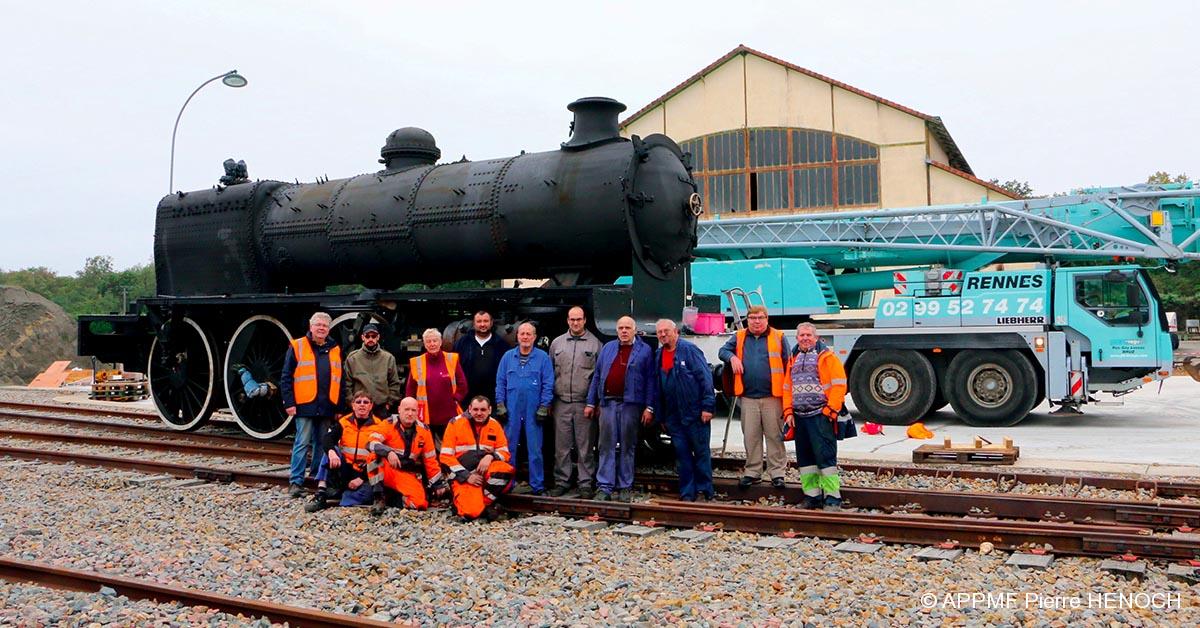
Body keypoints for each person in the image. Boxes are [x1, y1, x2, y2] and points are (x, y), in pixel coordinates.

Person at [718, 305, 791, 489]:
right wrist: (732, 358)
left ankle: (777, 473)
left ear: (767, 319)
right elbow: (722, 352)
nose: (756, 321)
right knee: (751, 436)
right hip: (748, 397)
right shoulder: (739, 336)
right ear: (747, 320)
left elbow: (788, 364)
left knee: (775, 436)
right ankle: (753, 471)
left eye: (760, 318)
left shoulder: (779, 337)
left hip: (772, 397)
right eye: (752, 318)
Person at [586, 316, 656, 502]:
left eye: (627, 328)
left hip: (630, 405)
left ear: (635, 330)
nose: (624, 331)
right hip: (608, 404)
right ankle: (604, 487)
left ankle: (625, 486)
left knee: (627, 445)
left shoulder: (645, 351)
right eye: (620, 328)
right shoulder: (608, 348)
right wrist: (591, 403)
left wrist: (649, 407)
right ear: (616, 330)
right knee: (605, 446)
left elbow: (651, 380)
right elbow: (597, 375)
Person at [781, 322, 848, 509]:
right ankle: (812, 497)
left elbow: (839, 384)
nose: (805, 338)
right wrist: (788, 412)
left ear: (816, 338)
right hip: (799, 417)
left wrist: (830, 410)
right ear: (797, 338)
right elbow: (787, 388)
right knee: (805, 460)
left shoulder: (827, 357)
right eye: (802, 335)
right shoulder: (793, 359)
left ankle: (833, 498)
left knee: (826, 458)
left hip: (821, 415)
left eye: (809, 335)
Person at [281, 312, 342, 498]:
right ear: (311, 326)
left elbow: (340, 379)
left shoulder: (335, 349)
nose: (321, 328)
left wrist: (338, 407)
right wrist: (289, 402)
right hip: (304, 404)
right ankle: (296, 481)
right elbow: (286, 376)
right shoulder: (298, 346)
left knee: (322, 443)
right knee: (302, 441)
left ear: (329, 329)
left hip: (326, 404)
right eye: (318, 325)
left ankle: (317, 476)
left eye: (324, 325)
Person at [654, 319, 716, 501]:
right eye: (659, 332)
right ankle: (687, 493)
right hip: (673, 416)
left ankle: (705, 490)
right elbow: (658, 388)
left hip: (695, 413)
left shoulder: (689, 350)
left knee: (701, 452)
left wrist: (707, 406)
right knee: (682, 455)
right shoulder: (658, 355)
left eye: (666, 331)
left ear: (676, 332)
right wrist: (662, 416)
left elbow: (705, 379)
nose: (663, 335)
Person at [304, 391, 393, 514]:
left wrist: (361, 479)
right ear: (353, 405)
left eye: (366, 402)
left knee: (359, 497)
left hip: (365, 473)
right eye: (358, 402)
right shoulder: (344, 422)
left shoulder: (379, 425)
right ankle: (321, 494)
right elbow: (327, 438)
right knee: (330, 451)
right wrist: (331, 452)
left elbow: (381, 456)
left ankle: (342, 495)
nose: (362, 405)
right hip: (346, 469)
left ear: (371, 406)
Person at [495, 322, 554, 495]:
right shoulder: (507, 357)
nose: (525, 337)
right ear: (518, 336)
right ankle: (507, 484)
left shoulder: (543, 358)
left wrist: (544, 405)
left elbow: (548, 383)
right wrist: (500, 404)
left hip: (533, 409)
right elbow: (500, 382)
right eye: (522, 334)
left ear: (534, 337)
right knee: (509, 448)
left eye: (529, 334)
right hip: (511, 408)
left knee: (535, 449)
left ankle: (537, 485)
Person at [548, 306, 601, 498]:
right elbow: (550, 373)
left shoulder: (595, 344)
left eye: (579, 319)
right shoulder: (557, 344)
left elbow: (598, 377)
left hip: (583, 404)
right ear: (567, 321)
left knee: (585, 447)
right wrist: (550, 402)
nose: (575, 323)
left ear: (585, 320)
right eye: (572, 319)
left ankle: (585, 483)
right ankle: (562, 482)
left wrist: (593, 403)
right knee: (561, 447)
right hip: (561, 402)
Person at [440, 396, 515, 521]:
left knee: (505, 469)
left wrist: (491, 456)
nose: (479, 413)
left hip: (483, 474)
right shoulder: (455, 423)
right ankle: (477, 507)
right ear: (469, 409)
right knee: (471, 512)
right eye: (475, 409)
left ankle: (484, 503)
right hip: (463, 476)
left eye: (483, 410)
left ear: (490, 410)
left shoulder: (494, 425)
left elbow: (505, 452)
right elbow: (445, 457)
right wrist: (467, 476)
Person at [375, 397, 448, 512]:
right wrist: (388, 452)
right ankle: (378, 496)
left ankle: (392, 498)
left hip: (406, 472)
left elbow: (430, 460)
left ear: (418, 412)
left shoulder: (424, 430)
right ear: (399, 410)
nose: (410, 413)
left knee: (420, 504)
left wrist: (438, 485)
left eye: (413, 410)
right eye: (406, 409)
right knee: (373, 455)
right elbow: (370, 442)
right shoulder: (388, 424)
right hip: (387, 469)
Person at [406, 328, 468, 439]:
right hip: (425, 415)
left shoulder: (452, 359)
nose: (432, 344)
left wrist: (455, 399)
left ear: (440, 342)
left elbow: (462, 384)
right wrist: (410, 408)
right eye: (428, 341)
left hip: (449, 414)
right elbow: (410, 390)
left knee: (449, 446)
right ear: (424, 344)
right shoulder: (417, 362)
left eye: (435, 341)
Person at [341, 323, 402, 419]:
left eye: (373, 336)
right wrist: (352, 404)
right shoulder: (353, 358)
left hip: (381, 409)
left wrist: (389, 404)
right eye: (367, 336)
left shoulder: (388, 358)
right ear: (362, 337)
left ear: (378, 337)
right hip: (360, 408)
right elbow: (346, 384)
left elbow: (394, 383)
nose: (370, 339)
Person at [453, 310, 511, 403]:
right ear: (474, 323)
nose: (482, 324)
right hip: (468, 398)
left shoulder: (502, 345)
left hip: (493, 398)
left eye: (486, 321)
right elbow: (454, 370)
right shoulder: (462, 344)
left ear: (491, 323)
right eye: (479, 321)